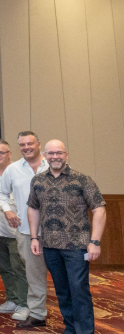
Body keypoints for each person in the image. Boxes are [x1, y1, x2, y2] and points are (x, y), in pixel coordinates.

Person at [27, 140, 106, 334]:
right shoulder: (37, 181)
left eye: (59, 153)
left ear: (66, 155)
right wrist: (34, 237)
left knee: (79, 290)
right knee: (62, 291)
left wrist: (95, 241)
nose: (55, 157)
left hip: (77, 246)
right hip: (50, 246)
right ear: (45, 155)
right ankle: (71, 329)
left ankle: (85, 331)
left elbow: (99, 209)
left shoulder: (82, 179)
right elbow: (33, 208)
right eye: (51, 153)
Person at [0, 131, 49, 328]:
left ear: (38, 144)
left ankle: (71, 314)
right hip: (27, 232)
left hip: (56, 232)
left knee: (63, 275)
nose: (26, 147)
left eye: (30, 143)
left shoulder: (51, 164)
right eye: (22, 144)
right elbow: (1, 193)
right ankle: (37, 314)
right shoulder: (13, 169)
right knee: (34, 275)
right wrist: (8, 210)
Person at [0, 139, 29, 321]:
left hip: (17, 230)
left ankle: (24, 303)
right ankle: (12, 299)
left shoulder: (19, 172)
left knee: (19, 268)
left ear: (10, 154)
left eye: (1, 153)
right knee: (4, 268)